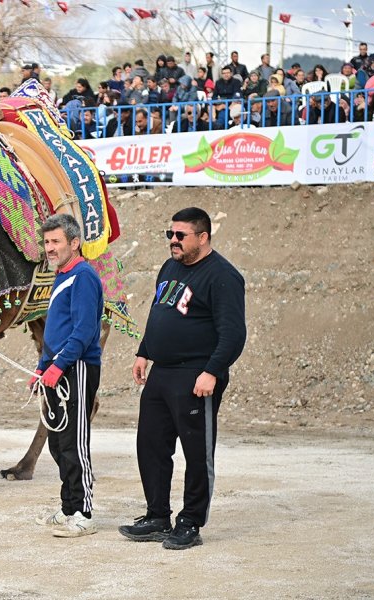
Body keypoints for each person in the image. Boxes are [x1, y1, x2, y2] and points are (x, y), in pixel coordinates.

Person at [119, 207, 246, 550]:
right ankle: (157, 515)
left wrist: (212, 372)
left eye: (180, 236)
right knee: (151, 445)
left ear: (203, 237)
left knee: (196, 452)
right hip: (162, 372)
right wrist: (144, 350)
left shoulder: (222, 276)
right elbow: (160, 310)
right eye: (169, 235)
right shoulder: (171, 266)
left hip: (196, 375)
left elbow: (234, 335)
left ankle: (190, 522)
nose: (173, 241)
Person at [32, 213, 103, 538]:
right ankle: (68, 507)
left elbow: (85, 329)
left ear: (74, 243)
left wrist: (59, 366)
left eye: (56, 241)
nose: (50, 248)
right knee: (58, 444)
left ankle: (84, 513)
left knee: (75, 442)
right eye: (47, 242)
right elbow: (56, 331)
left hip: (78, 368)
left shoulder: (84, 276)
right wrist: (42, 367)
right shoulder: (61, 275)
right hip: (57, 369)